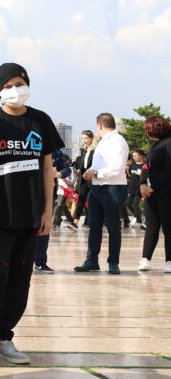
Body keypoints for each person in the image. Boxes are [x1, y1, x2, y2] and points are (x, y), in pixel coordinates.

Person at [0, 64, 62, 366]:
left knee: (21, 282)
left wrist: (47, 211)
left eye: (19, 83)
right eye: (7, 85)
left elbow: (48, 169)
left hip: (31, 217)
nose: (14, 89)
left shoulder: (40, 121)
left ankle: (4, 338)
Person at [74, 113, 130, 274]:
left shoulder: (117, 141)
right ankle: (91, 261)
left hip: (112, 188)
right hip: (97, 188)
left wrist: (96, 173)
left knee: (113, 227)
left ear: (99, 125)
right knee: (94, 226)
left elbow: (117, 167)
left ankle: (113, 262)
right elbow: (101, 166)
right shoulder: (102, 143)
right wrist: (91, 173)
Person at [139, 115, 171, 273]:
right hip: (151, 193)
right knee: (151, 227)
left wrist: (154, 187)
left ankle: (169, 261)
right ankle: (146, 259)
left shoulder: (169, 142)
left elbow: (168, 170)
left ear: (156, 128)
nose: (146, 133)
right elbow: (146, 166)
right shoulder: (154, 144)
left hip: (166, 193)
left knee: (168, 228)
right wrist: (143, 183)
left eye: (147, 130)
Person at [71, 131, 95, 226]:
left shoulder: (96, 150)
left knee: (90, 202)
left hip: (92, 179)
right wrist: (77, 179)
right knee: (80, 200)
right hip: (83, 179)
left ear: (91, 138)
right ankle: (75, 223)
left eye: (85, 138)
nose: (83, 140)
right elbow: (81, 166)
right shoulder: (83, 150)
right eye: (82, 138)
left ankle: (91, 221)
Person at [126, 149, 146, 227]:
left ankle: (139, 220)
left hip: (139, 189)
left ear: (141, 156)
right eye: (134, 156)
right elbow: (130, 177)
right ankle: (138, 215)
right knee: (127, 203)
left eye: (136, 155)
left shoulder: (144, 165)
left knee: (135, 203)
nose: (135, 157)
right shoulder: (132, 165)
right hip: (132, 188)